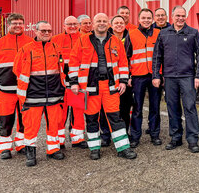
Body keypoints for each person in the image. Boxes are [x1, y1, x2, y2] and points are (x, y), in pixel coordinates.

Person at [69, 13, 136, 160]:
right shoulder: (82, 41)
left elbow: (123, 63)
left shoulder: (115, 41)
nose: (101, 23)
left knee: (115, 118)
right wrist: (74, 83)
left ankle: (123, 148)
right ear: (93, 24)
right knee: (92, 118)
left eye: (104, 21)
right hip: (90, 88)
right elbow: (73, 63)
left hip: (111, 87)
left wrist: (123, 81)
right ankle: (94, 148)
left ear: (108, 24)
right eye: (98, 21)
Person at [152, 6, 199, 153]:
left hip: (187, 76)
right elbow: (157, 57)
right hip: (169, 77)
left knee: (190, 108)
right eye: (178, 16)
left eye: (183, 16)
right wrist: (156, 75)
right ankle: (176, 137)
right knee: (172, 108)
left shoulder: (193, 33)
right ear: (172, 16)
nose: (180, 18)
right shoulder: (163, 34)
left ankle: (193, 140)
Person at [14, 21, 66, 166]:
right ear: (36, 32)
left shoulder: (56, 48)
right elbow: (17, 70)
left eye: (49, 31)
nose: (46, 33)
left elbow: (60, 69)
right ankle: (30, 153)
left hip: (53, 95)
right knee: (31, 126)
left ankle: (53, 150)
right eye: (43, 31)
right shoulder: (26, 49)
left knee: (54, 124)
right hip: (32, 96)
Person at [0, 13, 33, 159]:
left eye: (20, 23)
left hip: (26, 90)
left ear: (24, 25)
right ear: (8, 25)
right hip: (5, 90)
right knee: (5, 120)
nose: (18, 26)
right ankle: (4, 148)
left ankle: (21, 145)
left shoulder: (30, 43)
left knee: (24, 120)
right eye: (14, 23)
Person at [125, 9, 162, 147]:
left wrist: (159, 74)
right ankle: (135, 136)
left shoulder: (158, 34)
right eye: (143, 18)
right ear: (139, 19)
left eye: (149, 18)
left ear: (152, 19)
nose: (146, 20)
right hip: (137, 76)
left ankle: (154, 134)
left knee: (155, 106)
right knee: (137, 108)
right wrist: (128, 76)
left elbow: (162, 55)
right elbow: (126, 57)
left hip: (154, 76)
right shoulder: (132, 34)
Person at [51, 16, 88, 149]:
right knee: (60, 113)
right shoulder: (55, 40)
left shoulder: (85, 38)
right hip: (61, 84)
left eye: (74, 24)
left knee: (78, 111)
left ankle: (77, 138)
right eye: (69, 24)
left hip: (80, 83)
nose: (72, 26)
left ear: (79, 25)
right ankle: (59, 140)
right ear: (63, 26)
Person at [108, 15, 132, 133]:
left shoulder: (130, 38)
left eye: (121, 23)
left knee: (125, 108)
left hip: (124, 80)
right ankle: (107, 134)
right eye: (116, 23)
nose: (119, 25)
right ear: (111, 25)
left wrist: (129, 77)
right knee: (108, 110)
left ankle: (125, 132)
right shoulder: (106, 39)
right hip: (109, 81)